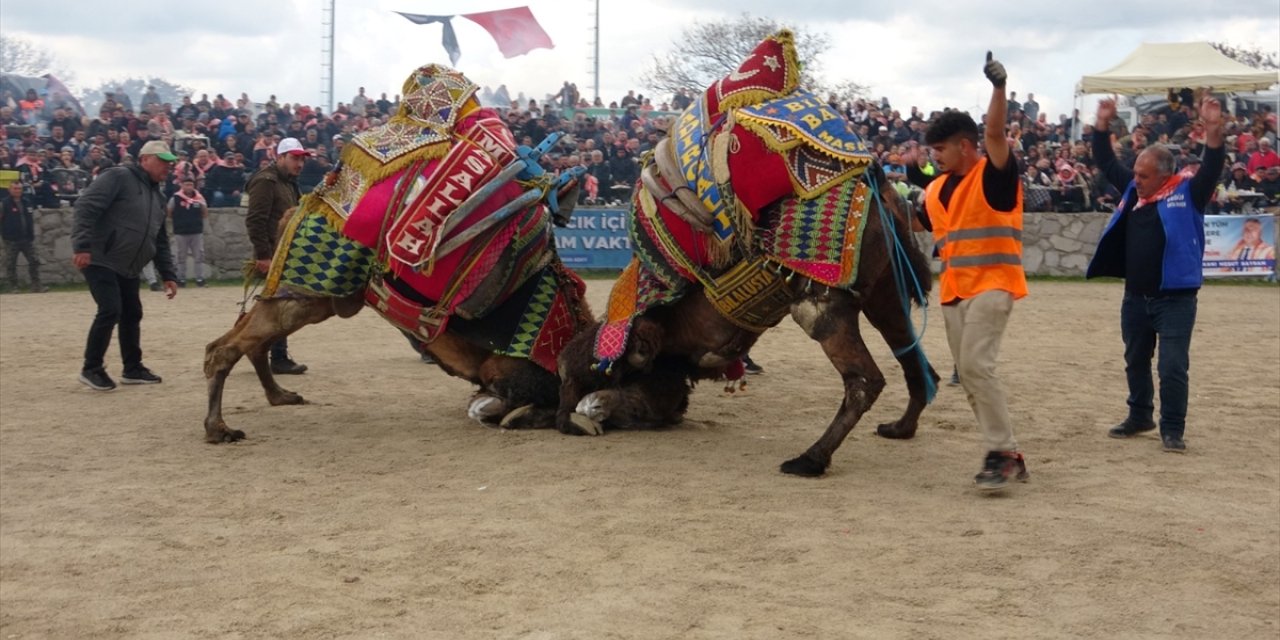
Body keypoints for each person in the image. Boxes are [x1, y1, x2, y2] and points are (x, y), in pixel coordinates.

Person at [900, 52, 1028, 491]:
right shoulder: (935, 189)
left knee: (975, 366)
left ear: (966, 147)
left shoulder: (994, 175)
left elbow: (994, 131)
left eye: (940, 149)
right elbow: (917, 222)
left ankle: (1001, 453)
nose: (934, 156)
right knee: (972, 379)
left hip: (995, 285)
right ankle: (1008, 452)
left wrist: (998, 88)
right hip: (955, 292)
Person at [1086, 93, 1227, 453]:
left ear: (1165, 174)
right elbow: (1104, 160)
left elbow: (1212, 165)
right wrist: (1102, 124)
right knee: (1135, 359)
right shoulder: (1135, 189)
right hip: (1136, 296)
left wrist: (1213, 128)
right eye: (1135, 173)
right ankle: (1140, 416)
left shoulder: (1190, 192)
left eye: (1144, 175)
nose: (1136, 180)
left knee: (1172, 367)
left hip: (1176, 299)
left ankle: (1173, 429)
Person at [70, 140, 180, 391]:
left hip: (129, 264)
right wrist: (82, 246)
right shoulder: (118, 176)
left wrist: (168, 274)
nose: (168, 166)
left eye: (170, 162)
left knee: (132, 313)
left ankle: (132, 368)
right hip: (100, 257)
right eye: (162, 160)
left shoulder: (159, 196)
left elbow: (159, 238)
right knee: (110, 309)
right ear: (144, 159)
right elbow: (85, 207)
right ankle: (91, 368)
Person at [245, 137, 309, 374]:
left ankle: (263, 351)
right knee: (278, 306)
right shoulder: (266, 181)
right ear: (279, 157)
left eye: (301, 159)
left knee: (277, 305)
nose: (299, 164)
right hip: (272, 255)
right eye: (294, 158)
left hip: (285, 253)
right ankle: (276, 357)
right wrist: (263, 255)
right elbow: (255, 220)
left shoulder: (289, 182)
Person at [1, 181, 47, 292]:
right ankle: (13, 286)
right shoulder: (4, 204)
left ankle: (36, 285)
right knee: (11, 263)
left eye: (19, 189)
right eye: (15, 188)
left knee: (34, 261)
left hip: (26, 238)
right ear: (9, 189)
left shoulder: (27, 202)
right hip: (11, 239)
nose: (17, 191)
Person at [168, 177, 208, 287]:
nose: (189, 187)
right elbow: (169, 212)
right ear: (182, 186)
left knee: (199, 255)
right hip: (180, 231)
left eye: (191, 185)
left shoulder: (199, 198)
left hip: (196, 231)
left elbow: (204, 212)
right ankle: (181, 279)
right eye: (186, 185)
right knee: (181, 256)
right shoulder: (176, 198)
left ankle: (200, 278)